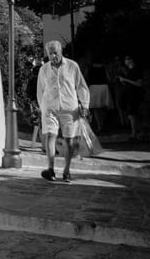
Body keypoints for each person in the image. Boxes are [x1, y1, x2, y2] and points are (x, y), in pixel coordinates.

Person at [37, 40, 90, 183]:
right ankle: (50, 169)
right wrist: (43, 108)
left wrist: (84, 105)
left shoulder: (72, 66)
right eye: (50, 53)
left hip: (69, 107)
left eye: (55, 53)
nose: (53, 56)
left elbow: (81, 86)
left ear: (61, 52)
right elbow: (40, 90)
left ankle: (67, 171)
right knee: (50, 134)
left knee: (69, 139)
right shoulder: (44, 70)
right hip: (50, 107)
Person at [117, 55, 144, 142]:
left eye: (127, 59)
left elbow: (139, 84)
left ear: (131, 60)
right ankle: (141, 132)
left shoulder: (137, 70)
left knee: (132, 114)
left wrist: (126, 80)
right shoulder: (129, 71)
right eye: (125, 59)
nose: (126, 61)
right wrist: (123, 81)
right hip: (129, 94)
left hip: (134, 95)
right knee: (132, 114)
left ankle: (134, 133)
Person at [86, 55, 113, 131]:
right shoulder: (104, 67)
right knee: (103, 106)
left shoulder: (89, 67)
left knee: (96, 108)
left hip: (94, 87)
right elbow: (108, 77)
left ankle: (99, 125)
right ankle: (103, 123)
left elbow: (86, 77)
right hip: (104, 87)